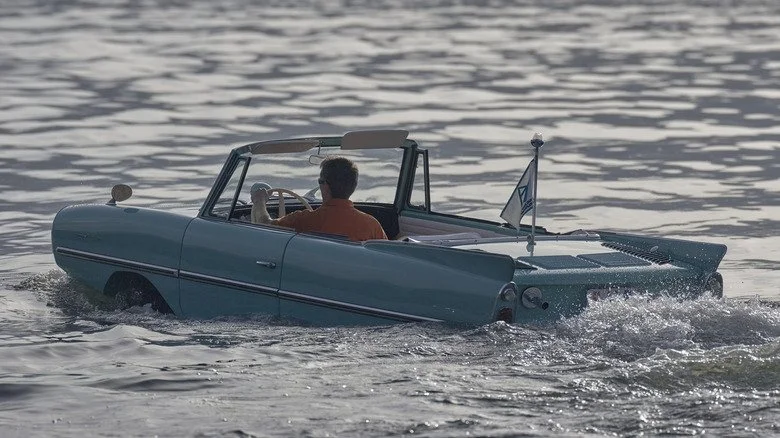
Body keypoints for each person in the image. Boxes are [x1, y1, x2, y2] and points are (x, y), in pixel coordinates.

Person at [251, 156, 387, 241]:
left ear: (326, 186)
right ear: (354, 186)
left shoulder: (305, 220)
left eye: (320, 181)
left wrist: (259, 201)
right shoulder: (371, 225)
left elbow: (266, 226)